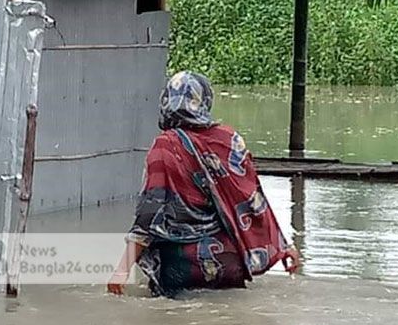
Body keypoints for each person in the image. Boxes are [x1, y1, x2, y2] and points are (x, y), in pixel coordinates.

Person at [109, 71, 299, 297]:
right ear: (206, 101)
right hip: (229, 265)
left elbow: (149, 215)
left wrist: (121, 270)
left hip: (183, 267)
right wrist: (284, 246)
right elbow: (252, 200)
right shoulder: (229, 140)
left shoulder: (164, 147)